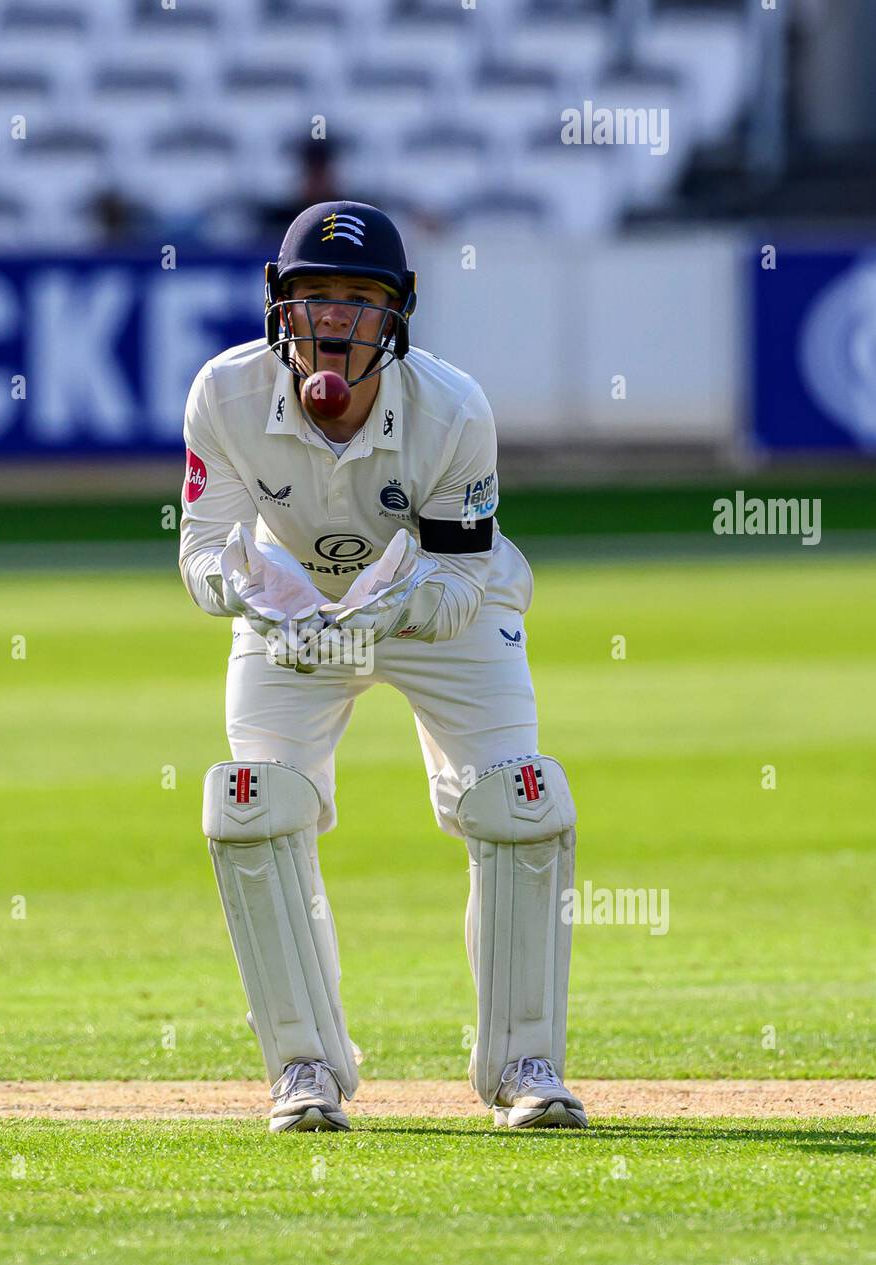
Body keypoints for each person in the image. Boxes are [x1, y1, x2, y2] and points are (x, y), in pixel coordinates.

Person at [178, 201, 584, 1133]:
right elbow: (201, 552)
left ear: (398, 315)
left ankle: (526, 1064)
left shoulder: (452, 410)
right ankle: (304, 1070)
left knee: (518, 800)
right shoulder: (224, 394)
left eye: (359, 301)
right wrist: (246, 589)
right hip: (294, 621)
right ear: (279, 307)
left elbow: (456, 581)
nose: (335, 323)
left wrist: (392, 604)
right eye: (315, 298)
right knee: (252, 807)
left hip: (438, 614)